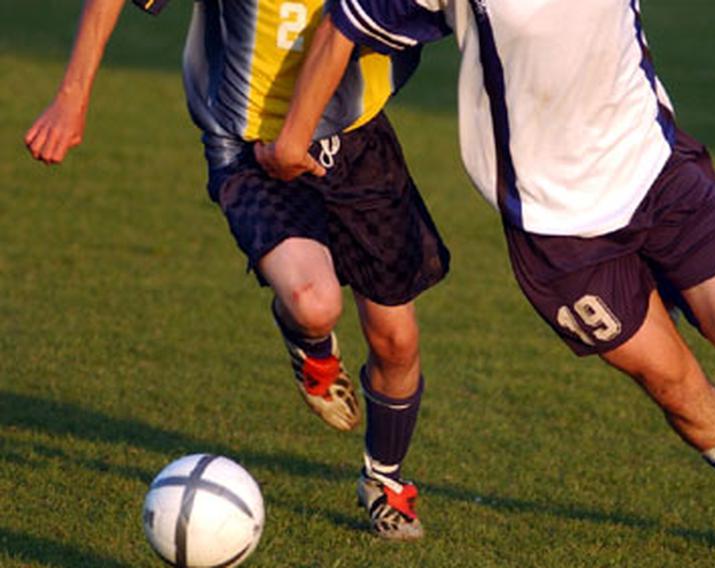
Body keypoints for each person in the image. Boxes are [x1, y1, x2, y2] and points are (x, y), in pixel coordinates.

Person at [253, 0, 715, 565]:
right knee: (676, 386)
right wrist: (291, 141)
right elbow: (344, 23)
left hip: (656, 174)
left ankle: (665, 287)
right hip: (557, 229)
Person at [23, 0, 451, 541]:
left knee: (396, 340)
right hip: (250, 146)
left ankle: (384, 482)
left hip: (358, 140)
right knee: (315, 304)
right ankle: (310, 345)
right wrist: (71, 98)